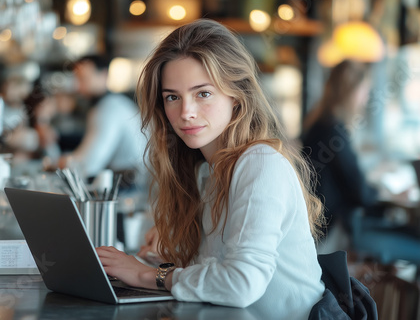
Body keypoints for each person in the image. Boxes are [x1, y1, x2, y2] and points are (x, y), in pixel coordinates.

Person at [96, 19, 326, 316]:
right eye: (172, 97)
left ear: (236, 95)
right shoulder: (206, 171)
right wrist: (170, 258)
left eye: (203, 93)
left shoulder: (259, 164)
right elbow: (218, 271)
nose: (186, 112)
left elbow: (241, 284)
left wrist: (145, 274)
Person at [301, 60, 379, 239]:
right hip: (328, 226)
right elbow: (361, 192)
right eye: (364, 90)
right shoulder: (334, 132)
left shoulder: (318, 122)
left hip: (314, 218)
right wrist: (382, 191)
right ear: (351, 92)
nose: (366, 97)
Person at [57, 55, 146, 180]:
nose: (77, 86)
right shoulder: (115, 103)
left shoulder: (109, 109)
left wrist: (56, 162)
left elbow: (88, 164)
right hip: (131, 183)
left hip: (129, 189)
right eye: (76, 79)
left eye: (83, 79)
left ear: (103, 76)